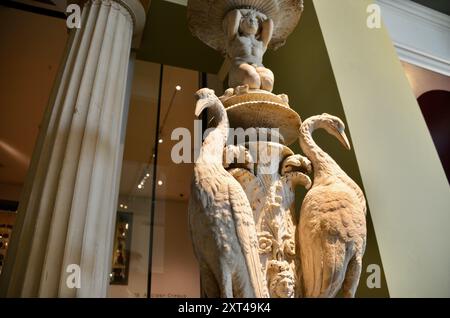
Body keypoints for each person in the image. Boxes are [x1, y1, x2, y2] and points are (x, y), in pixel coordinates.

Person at [224, 9, 275, 92]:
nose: (253, 21)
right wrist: (246, 13)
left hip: (259, 66)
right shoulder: (234, 38)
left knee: (267, 83)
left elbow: (269, 22)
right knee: (253, 79)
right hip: (240, 65)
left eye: (255, 21)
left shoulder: (261, 43)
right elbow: (235, 13)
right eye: (249, 20)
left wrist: (257, 14)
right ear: (241, 23)